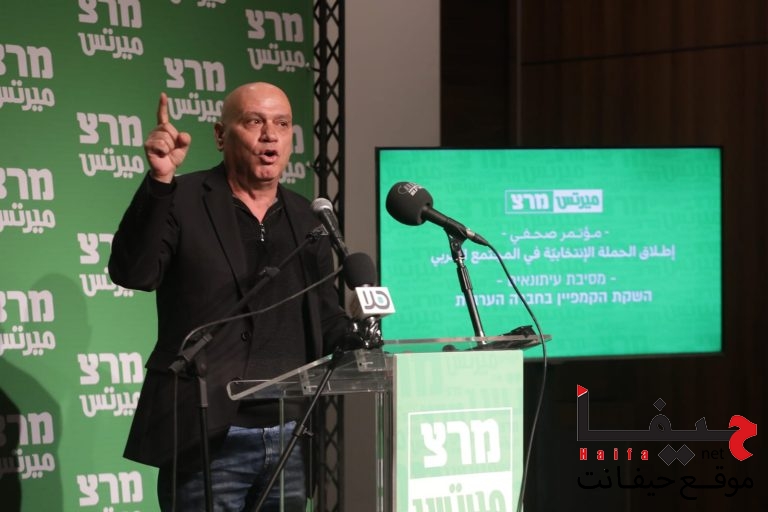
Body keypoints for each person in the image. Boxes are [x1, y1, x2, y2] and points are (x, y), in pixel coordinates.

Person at [108, 82, 350, 511]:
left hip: (290, 434)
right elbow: (134, 273)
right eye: (254, 121)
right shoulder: (182, 199)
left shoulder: (307, 217)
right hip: (208, 436)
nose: (270, 135)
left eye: (282, 124)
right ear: (221, 135)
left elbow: (325, 315)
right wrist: (160, 181)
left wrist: (360, 338)